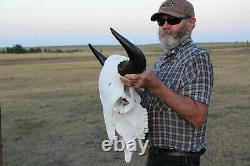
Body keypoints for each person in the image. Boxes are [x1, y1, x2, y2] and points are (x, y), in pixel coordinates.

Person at [120, 0, 214, 165]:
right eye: (160, 21)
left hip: (180, 159)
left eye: (172, 20)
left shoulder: (197, 56)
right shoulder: (162, 59)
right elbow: (153, 100)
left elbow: (198, 116)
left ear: (191, 23)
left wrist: (155, 85)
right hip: (155, 153)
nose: (165, 25)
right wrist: (131, 89)